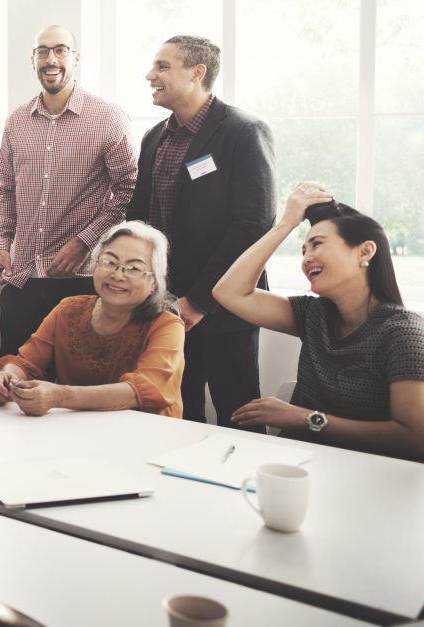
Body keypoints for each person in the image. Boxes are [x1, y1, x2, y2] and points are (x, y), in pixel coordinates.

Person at [127, 35, 275, 430]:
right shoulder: (153, 138)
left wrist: (198, 300)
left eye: (162, 67)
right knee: (172, 416)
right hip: (163, 309)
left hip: (224, 310)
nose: (149, 75)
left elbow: (254, 224)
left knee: (239, 420)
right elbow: (139, 221)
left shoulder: (243, 132)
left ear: (198, 73)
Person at [213, 186, 424, 461]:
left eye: (317, 244)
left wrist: (305, 419)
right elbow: (228, 292)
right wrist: (286, 224)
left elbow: (414, 439)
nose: (306, 259)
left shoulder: (403, 334)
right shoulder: (313, 314)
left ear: (365, 251)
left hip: (366, 475)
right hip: (295, 462)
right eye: (303, 249)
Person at [0, 25, 137, 360]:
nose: (50, 59)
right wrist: (2, 247)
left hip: (81, 281)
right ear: (32, 59)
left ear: (76, 58)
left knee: (79, 388)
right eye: (42, 51)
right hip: (24, 279)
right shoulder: (16, 122)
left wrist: (84, 241)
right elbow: (5, 190)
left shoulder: (108, 118)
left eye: (60, 50)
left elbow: (128, 190)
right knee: (11, 379)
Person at [0, 222, 185, 417]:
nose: (117, 275)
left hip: (149, 437)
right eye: (109, 262)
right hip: (80, 434)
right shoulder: (68, 309)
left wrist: (59, 396)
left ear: (154, 283)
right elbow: (26, 363)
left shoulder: (167, 325)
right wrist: (7, 377)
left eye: (133, 268)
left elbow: (141, 391)